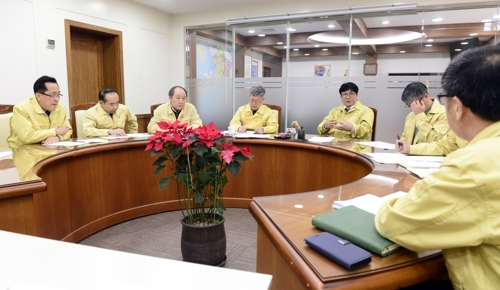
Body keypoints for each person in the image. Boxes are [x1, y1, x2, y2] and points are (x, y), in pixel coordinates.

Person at [375, 45, 500, 289]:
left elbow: (396, 222)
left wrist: (406, 197)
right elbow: (443, 143)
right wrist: (409, 149)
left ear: (457, 106)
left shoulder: (472, 165)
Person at [8, 76, 71, 148]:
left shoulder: (61, 107)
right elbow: (27, 137)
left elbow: (68, 130)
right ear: (38, 96)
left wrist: (58, 137)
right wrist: (55, 131)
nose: (57, 99)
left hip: (50, 150)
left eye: (58, 95)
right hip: (24, 152)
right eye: (53, 95)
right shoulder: (21, 109)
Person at [396, 130, 468, 156]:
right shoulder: (460, 127)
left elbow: (436, 137)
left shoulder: (442, 113)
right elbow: (441, 146)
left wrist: (420, 116)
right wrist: (410, 148)